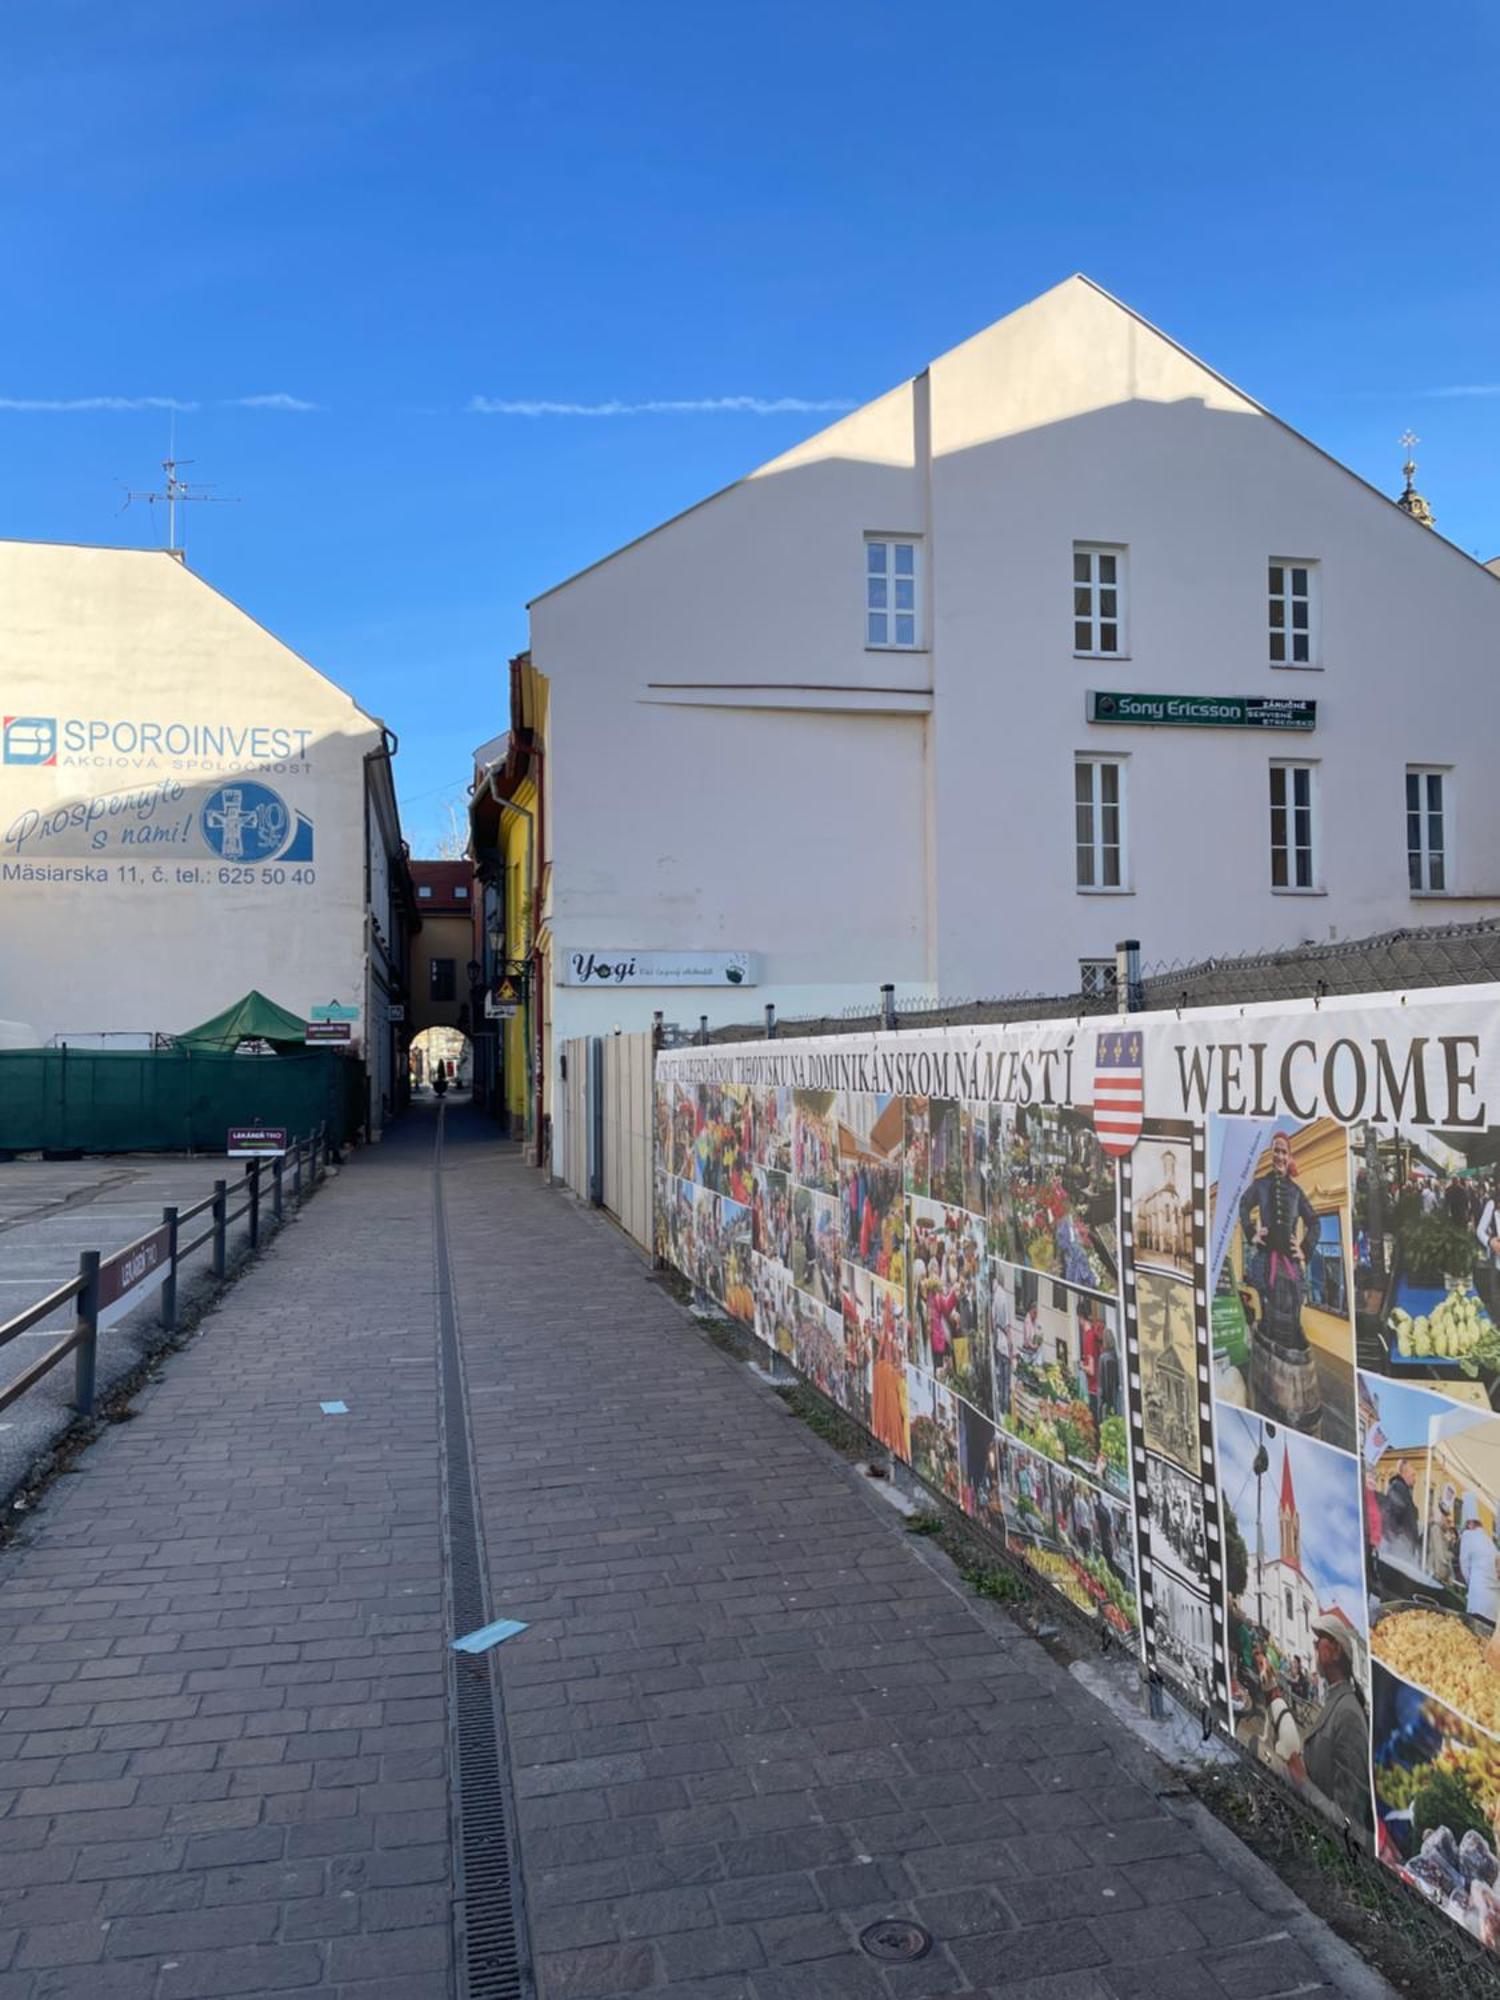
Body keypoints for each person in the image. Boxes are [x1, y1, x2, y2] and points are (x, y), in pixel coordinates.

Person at [1239, 1132, 1322, 1434]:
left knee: (1292, 1319)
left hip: (1291, 1270)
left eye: (1284, 1152)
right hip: (1265, 1266)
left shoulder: (1297, 1192)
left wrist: (1305, 1248)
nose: (1279, 1156)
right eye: (1275, 1151)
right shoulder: (1259, 1187)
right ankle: (1269, 1385)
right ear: (1271, 1154)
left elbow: (1315, 1222)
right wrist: (1251, 1234)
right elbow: (1243, 1207)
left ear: (1289, 1157)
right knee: (1270, 1318)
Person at [1298, 1615, 1373, 1842]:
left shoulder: (1347, 1713)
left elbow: (1348, 1820)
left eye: (1319, 1640)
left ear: (1336, 1651)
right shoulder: (1336, 1702)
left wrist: (1301, 1781)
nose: (1314, 1646)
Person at [1459, 1499, 1500, 1622]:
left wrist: (1469, 1583)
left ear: (1470, 1523)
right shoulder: (1487, 1538)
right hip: (1493, 1603)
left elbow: (1464, 1565)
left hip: (1479, 1599)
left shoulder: (1468, 1536)